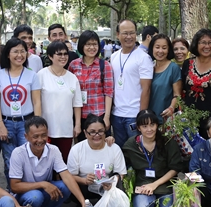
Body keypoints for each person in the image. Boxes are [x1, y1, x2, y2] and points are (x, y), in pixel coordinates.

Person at [9, 116, 94, 207]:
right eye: (35, 136)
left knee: (65, 186)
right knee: (35, 197)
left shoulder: (53, 150)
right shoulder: (18, 153)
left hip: (44, 190)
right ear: (26, 137)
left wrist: (83, 203)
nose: (40, 140)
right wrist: (43, 184)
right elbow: (14, 186)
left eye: (43, 135)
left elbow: (67, 176)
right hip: (26, 193)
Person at [0, 38, 41, 186]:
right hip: (6, 122)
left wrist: (37, 125)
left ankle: (26, 192)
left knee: (27, 158)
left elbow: (37, 101)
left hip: (26, 123)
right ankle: (12, 191)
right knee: (9, 160)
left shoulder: (31, 75)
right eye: (15, 51)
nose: (20, 55)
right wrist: (0, 124)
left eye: (22, 51)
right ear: (7, 54)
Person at [123, 110, 182, 207]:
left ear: (157, 125)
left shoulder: (168, 142)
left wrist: (154, 185)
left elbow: (175, 168)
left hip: (164, 186)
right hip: (143, 186)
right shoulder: (131, 145)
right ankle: (154, 205)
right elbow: (120, 162)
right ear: (139, 128)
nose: (149, 129)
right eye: (145, 126)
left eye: (152, 125)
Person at [110, 19, 154, 147]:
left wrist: (142, 117)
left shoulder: (143, 58)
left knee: (136, 152)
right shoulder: (114, 56)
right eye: (125, 33)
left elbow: (146, 89)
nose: (129, 37)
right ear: (117, 35)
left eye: (132, 33)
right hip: (116, 114)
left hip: (134, 115)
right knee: (120, 151)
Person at [37, 42, 82, 162]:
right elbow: (36, 102)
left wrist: (77, 125)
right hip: (46, 129)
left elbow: (77, 104)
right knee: (45, 162)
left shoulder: (72, 78)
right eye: (59, 54)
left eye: (65, 54)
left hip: (66, 130)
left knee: (63, 162)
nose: (63, 57)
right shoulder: (41, 75)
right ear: (50, 56)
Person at [67, 114, 127, 201]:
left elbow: (121, 173)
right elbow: (70, 176)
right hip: (85, 189)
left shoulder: (114, 148)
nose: (97, 135)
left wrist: (112, 182)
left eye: (100, 131)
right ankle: (82, 206)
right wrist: (84, 180)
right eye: (92, 132)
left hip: (107, 188)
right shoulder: (76, 149)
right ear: (85, 133)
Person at [68, 30, 114, 142]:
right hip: (79, 116)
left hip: (99, 115)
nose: (91, 47)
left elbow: (108, 92)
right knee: (82, 149)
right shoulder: (73, 65)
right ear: (82, 46)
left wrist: (106, 117)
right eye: (88, 44)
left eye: (94, 44)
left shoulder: (105, 66)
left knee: (101, 148)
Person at [148, 34, 182, 123]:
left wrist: (171, 108)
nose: (160, 51)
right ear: (152, 48)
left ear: (168, 50)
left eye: (164, 48)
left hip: (165, 120)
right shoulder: (148, 67)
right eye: (157, 47)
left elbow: (177, 95)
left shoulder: (173, 68)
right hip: (148, 119)